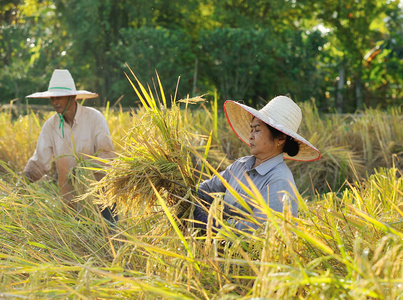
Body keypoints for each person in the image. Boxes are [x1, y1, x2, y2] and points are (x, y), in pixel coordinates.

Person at [193, 95, 321, 232]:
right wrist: (183, 191)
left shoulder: (280, 181)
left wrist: (210, 224)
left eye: (257, 130)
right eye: (251, 129)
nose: (251, 136)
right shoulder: (240, 166)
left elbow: (257, 230)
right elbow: (205, 191)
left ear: (281, 138)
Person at [23, 69, 117, 222]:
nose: (55, 102)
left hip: (101, 200)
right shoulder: (50, 126)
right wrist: (22, 183)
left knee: (109, 242)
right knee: (75, 244)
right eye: (52, 98)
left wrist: (83, 169)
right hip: (71, 203)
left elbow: (107, 155)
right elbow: (40, 162)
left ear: (72, 97)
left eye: (59, 97)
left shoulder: (94, 118)